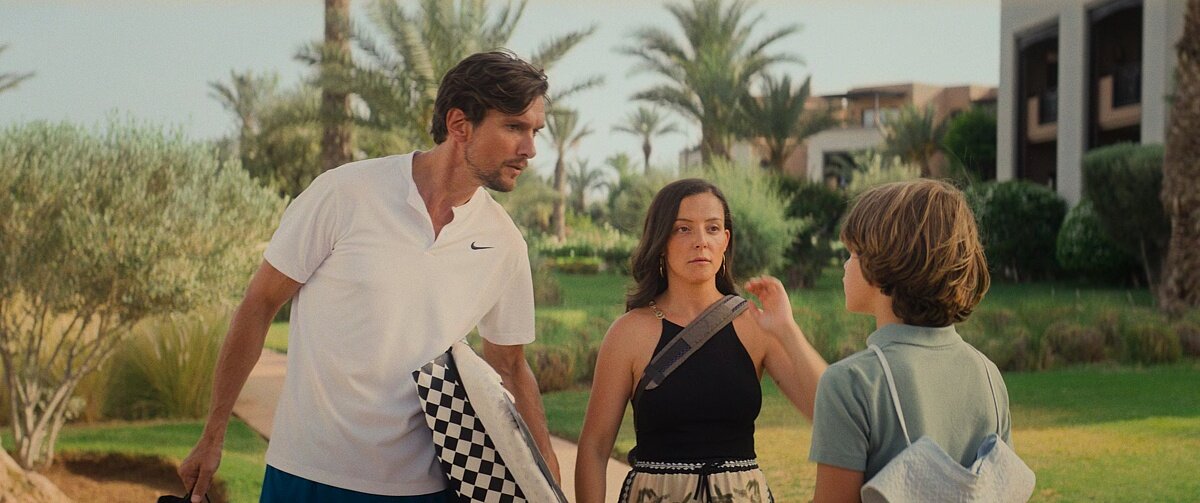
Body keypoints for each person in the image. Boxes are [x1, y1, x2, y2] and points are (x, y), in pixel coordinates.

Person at [177, 50, 560, 503]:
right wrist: (213, 434)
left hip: (426, 488)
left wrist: (548, 482)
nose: (530, 149)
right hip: (308, 472)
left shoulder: (504, 243)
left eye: (535, 131)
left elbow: (510, 364)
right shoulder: (345, 193)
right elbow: (259, 304)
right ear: (460, 124)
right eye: (514, 127)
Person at [575, 178, 828, 503]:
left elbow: (829, 413)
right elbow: (594, 448)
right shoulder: (628, 333)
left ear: (725, 240)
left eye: (712, 228)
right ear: (660, 241)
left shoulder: (755, 326)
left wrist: (788, 330)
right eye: (683, 229)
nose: (701, 241)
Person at [773, 179, 1008, 501]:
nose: (845, 265)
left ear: (886, 264)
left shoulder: (851, 382)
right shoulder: (989, 375)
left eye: (853, 253)